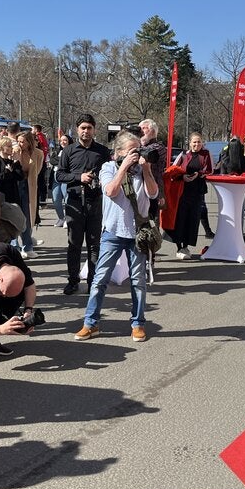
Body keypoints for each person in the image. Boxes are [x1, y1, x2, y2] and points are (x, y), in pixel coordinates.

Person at [74, 130, 158, 343]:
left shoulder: (141, 170)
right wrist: (123, 167)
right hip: (112, 232)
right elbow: (110, 191)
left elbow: (154, 193)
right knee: (100, 279)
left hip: (137, 233)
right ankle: (90, 324)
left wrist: (146, 170)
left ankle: (138, 324)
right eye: (131, 151)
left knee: (138, 281)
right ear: (118, 152)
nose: (135, 155)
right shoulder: (108, 168)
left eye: (137, 150)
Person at [55, 115, 111, 295]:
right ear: (77, 129)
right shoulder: (69, 151)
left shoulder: (102, 151)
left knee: (94, 245)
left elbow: (109, 172)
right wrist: (79, 177)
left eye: (89, 128)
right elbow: (60, 175)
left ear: (94, 129)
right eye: (83, 128)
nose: (86, 131)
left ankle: (93, 281)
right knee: (74, 244)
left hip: (95, 202)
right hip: (74, 202)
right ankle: (73, 281)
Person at [167, 132, 213, 260]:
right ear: (190, 143)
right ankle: (178, 247)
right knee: (179, 219)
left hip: (197, 192)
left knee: (192, 220)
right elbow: (172, 170)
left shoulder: (205, 154)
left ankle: (185, 247)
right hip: (182, 191)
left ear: (202, 142)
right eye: (194, 142)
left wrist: (199, 174)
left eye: (199, 142)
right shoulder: (183, 155)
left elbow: (210, 169)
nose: (197, 144)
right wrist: (183, 177)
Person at [15, 130, 44, 258]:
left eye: (22, 141)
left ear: (29, 142)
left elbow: (37, 171)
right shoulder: (15, 151)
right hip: (15, 185)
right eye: (18, 141)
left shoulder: (38, 153)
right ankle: (14, 247)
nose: (20, 144)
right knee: (13, 215)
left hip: (29, 185)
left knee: (27, 216)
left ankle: (27, 246)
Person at [139, 118, 167, 222]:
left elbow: (146, 154)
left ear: (153, 131)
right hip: (139, 191)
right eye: (139, 129)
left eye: (143, 128)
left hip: (153, 191)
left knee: (151, 224)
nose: (140, 131)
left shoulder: (159, 147)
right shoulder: (140, 146)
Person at [50, 134, 71, 227]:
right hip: (55, 177)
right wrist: (60, 160)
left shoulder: (72, 150)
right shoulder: (57, 151)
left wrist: (59, 160)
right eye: (61, 140)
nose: (63, 142)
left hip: (65, 177)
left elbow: (67, 163)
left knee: (67, 198)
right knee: (56, 199)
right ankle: (61, 218)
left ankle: (68, 219)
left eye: (65, 140)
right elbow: (52, 161)